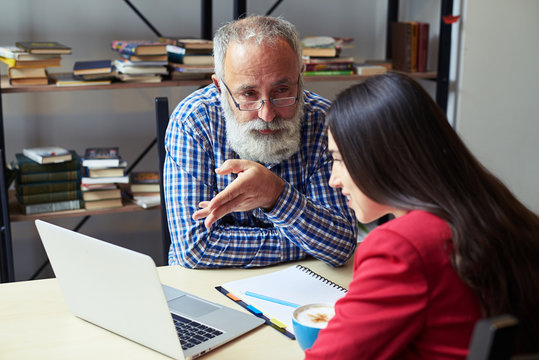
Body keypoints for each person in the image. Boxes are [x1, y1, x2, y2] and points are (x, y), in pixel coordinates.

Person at [305, 73, 539, 359]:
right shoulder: (495, 207)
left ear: (381, 156)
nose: (333, 180)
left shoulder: (403, 246)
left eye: (339, 159)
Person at [163, 15, 358, 268]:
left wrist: (275, 194)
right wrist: (307, 240)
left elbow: (341, 244)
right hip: (206, 286)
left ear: (301, 77)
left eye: (282, 91)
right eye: (248, 94)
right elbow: (195, 249)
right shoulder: (194, 121)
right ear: (219, 87)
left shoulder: (323, 121)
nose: (267, 114)